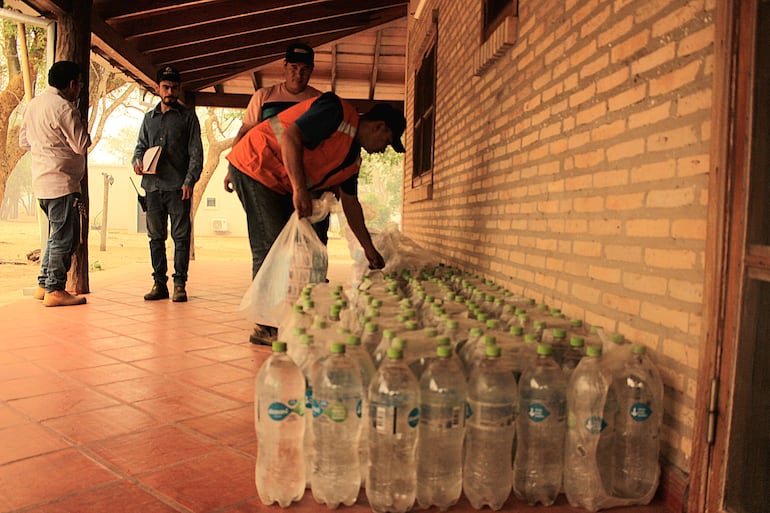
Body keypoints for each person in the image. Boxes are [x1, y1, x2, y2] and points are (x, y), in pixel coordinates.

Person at [226, 91, 405, 344]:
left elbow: (351, 205)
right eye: (387, 142)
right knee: (272, 247)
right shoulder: (336, 110)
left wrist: (368, 249)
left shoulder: (352, 160)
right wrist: (300, 189)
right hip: (255, 163)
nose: (382, 150)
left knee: (292, 250)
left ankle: (286, 316)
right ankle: (267, 327)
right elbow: (290, 137)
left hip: (277, 180)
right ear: (379, 126)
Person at [18, 60, 91, 307]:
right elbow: (81, 145)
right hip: (63, 183)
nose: (79, 89)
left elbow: (24, 141)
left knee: (55, 235)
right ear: (72, 84)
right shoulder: (65, 109)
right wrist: (80, 118)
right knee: (65, 239)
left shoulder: (34, 105)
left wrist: (46, 150)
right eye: (79, 84)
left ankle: (43, 283)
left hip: (41, 182)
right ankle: (55, 289)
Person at [132, 66, 203, 303]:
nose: (170, 91)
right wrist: (136, 162)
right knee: (155, 237)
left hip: (178, 187)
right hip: (152, 187)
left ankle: (180, 284)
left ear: (179, 89)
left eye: (174, 87)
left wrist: (189, 181)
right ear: (157, 88)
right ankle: (159, 283)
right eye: (165, 87)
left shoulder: (188, 117)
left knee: (181, 237)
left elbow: (196, 153)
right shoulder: (148, 119)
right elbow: (140, 147)